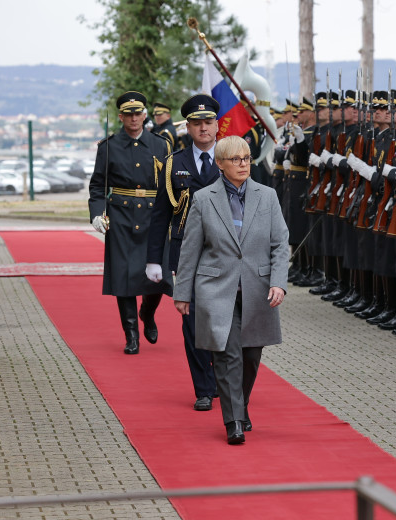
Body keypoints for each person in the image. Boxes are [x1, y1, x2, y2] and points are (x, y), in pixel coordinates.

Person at [172, 135, 289, 445]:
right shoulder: (203, 198)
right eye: (236, 159)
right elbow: (190, 249)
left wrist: (278, 282)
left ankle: (241, 402)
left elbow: (279, 244)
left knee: (250, 355)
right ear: (220, 164)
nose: (243, 164)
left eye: (247, 158)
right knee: (227, 355)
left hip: (257, 289)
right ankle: (233, 420)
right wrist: (182, 293)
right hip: (216, 288)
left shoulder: (267, 196)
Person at [146, 94, 222, 411]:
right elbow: (160, 214)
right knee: (191, 322)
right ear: (188, 127)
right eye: (197, 123)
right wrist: (154, 259)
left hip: (226, 253)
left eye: (208, 122)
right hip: (186, 253)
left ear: (217, 125)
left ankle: (224, 378)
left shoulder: (234, 157)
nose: (203, 128)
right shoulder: (173, 164)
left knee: (226, 319)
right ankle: (204, 387)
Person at [88, 90, 172, 355]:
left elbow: (170, 184)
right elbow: (98, 186)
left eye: (138, 113)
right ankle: (131, 335)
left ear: (144, 115)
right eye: (128, 114)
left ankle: (147, 312)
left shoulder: (161, 145)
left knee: (157, 276)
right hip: (121, 218)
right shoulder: (108, 146)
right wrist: (96, 213)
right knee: (124, 278)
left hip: (153, 217)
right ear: (121, 116)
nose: (133, 118)